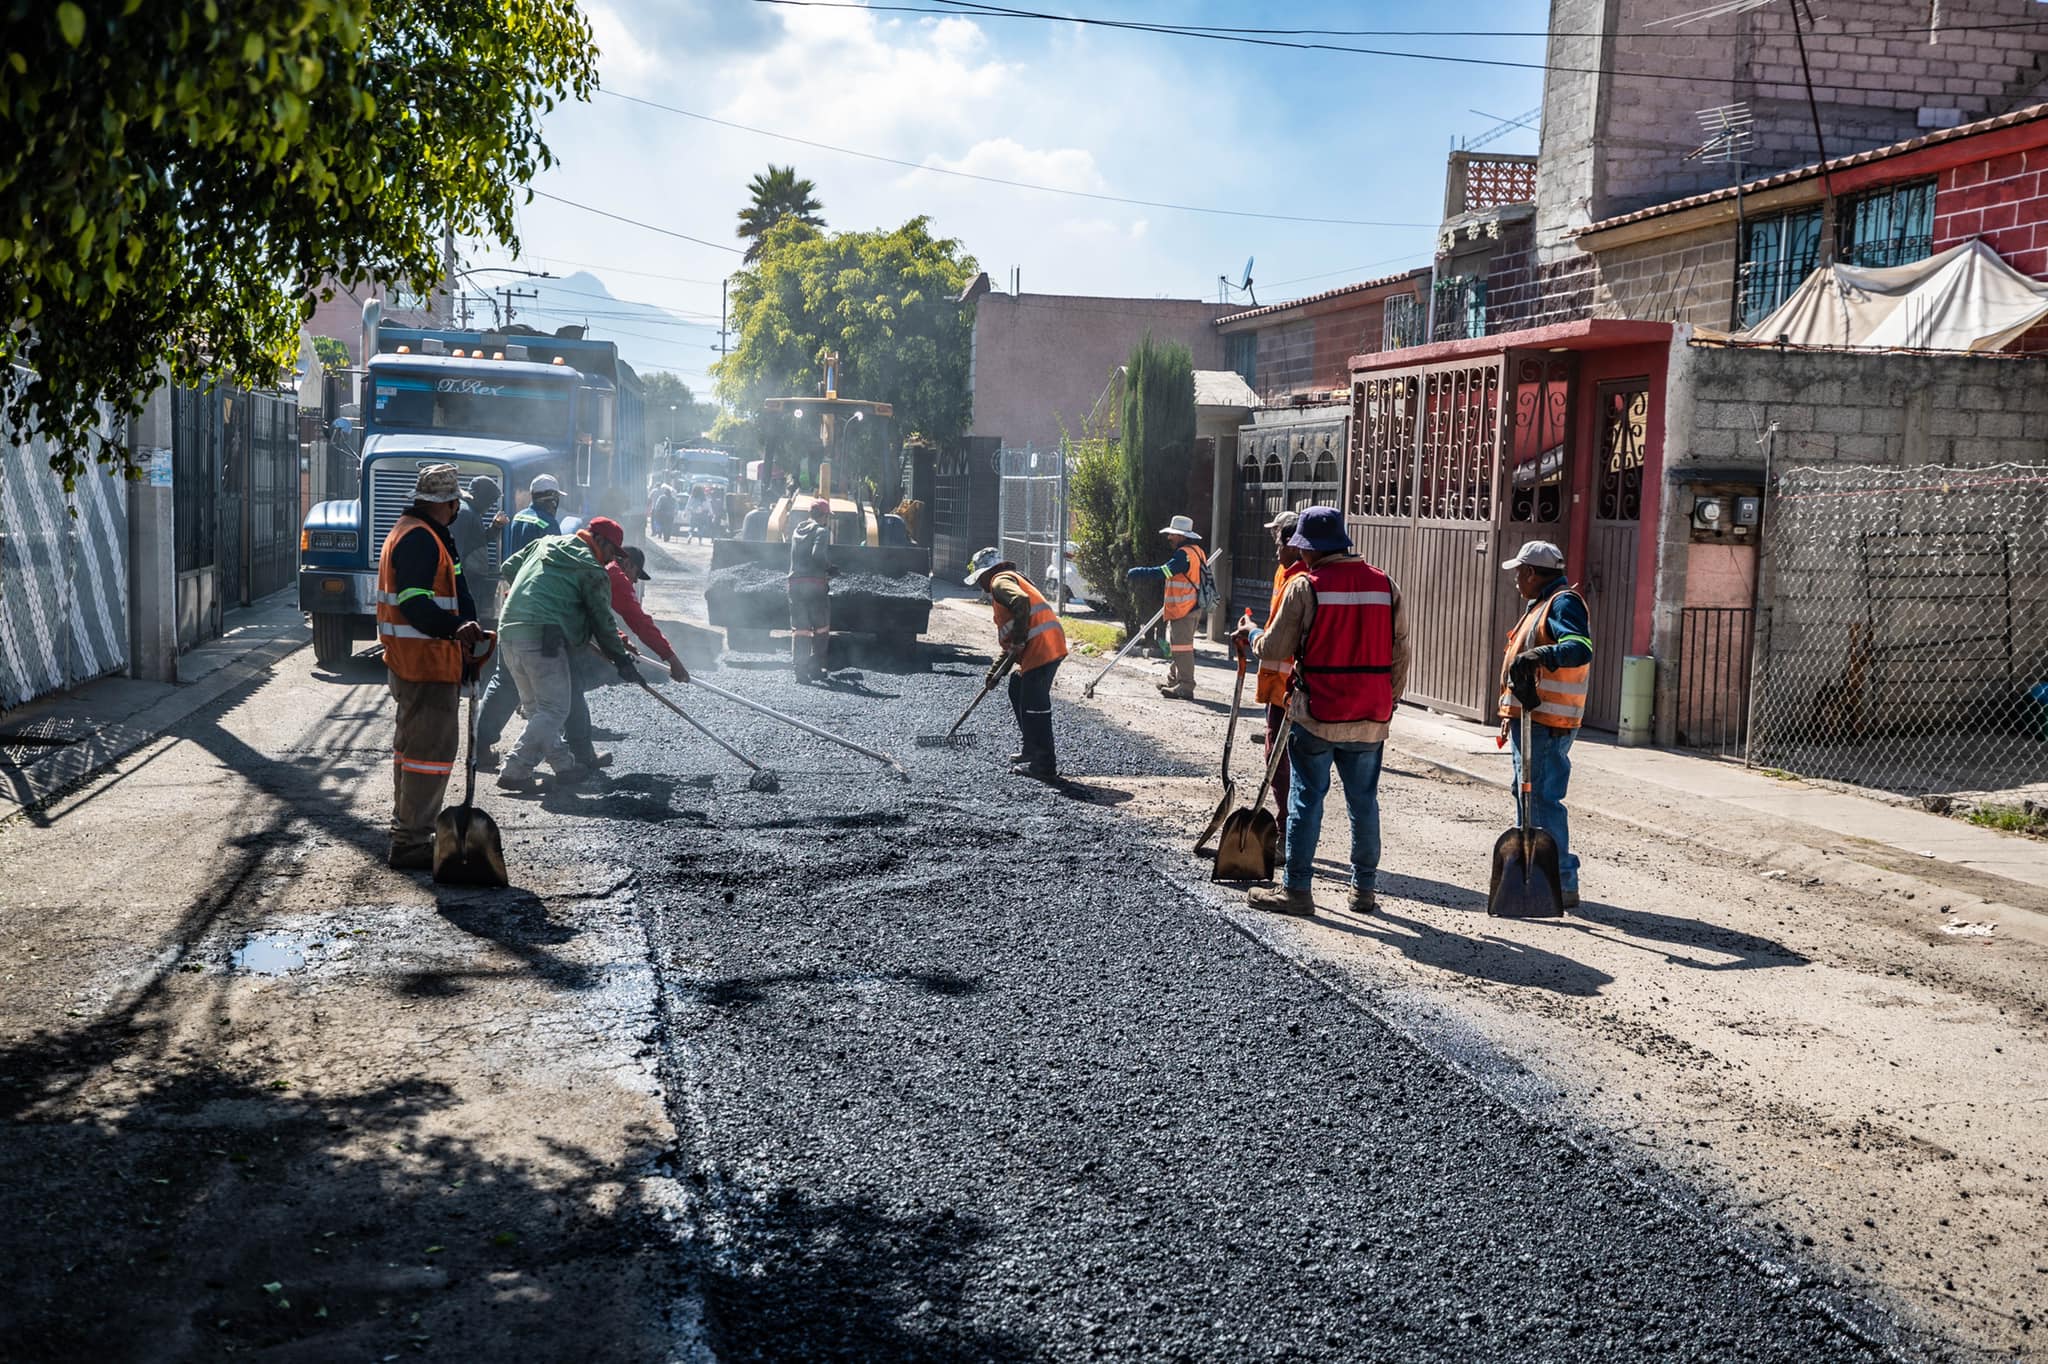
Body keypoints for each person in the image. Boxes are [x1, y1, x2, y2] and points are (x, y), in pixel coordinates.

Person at [1234, 506, 1409, 916]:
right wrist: (1390, 701)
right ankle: (1363, 890)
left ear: (1310, 549)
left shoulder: (1306, 587)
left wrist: (1253, 633)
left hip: (1318, 714)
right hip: (1371, 716)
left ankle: (1297, 891)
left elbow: (1275, 648)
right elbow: (1401, 652)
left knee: (1307, 799)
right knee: (1363, 802)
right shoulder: (1386, 585)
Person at [375, 464, 485, 870]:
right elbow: (415, 602)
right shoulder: (420, 539)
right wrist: (457, 628)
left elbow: (452, 592)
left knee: (412, 751)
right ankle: (411, 840)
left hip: (418, 663)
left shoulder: (423, 533)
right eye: (457, 504)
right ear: (450, 503)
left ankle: (407, 829)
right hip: (425, 664)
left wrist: (467, 633)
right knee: (430, 755)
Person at [493, 515, 639, 792]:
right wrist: (621, 661)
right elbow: (602, 621)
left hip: (510, 628)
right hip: (542, 636)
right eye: (611, 552)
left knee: (538, 709)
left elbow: (509, 566)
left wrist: (535, 593)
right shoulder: (591, 570)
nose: (610, 560)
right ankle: (515, 769)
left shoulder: (547, 542)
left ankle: (564, 765)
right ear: (599, 540)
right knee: (556, 709)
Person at [1499, 540, 1594, 909]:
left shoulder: (1562, 603)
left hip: (1547, 720)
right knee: (1528, 795)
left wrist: (1541, 654)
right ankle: (1539, 871)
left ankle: (1559, 878)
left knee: (1542, 799)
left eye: (1520, 573)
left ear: (1533, 573)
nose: (1517, 581)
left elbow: (1579, 646)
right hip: (1533, 719)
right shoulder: (1540, 605)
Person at [563, 543, 691, 769]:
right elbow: (640, 622)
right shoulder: (616, 575)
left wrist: (621, 640)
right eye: (636, 575)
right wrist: (672, 659)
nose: (634, 581)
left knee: (565, 689)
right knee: (573, 688)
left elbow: (599, 614)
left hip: (557, 627)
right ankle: (573, 754)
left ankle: (569, 750)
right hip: (561, 632)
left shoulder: (604, 570)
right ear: (628, 563)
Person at [474, 473, 566, 759]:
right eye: (556, 499)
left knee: (505, 677)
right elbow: (554, 567)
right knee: (543, 685)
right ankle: (552, 749)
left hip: (511, 598)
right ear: (551, 498)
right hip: (536, 607)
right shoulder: (549, 524)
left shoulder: (519, 518)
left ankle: (481, 739)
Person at [964, 547, 1069, 780]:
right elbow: (1011, 645)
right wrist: (994, 674)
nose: (980, 585)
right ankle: (1031, 749)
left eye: (979, 578)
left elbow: (1021, 603)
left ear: (985, 573)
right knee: (1017, 685)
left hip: (1043, 648)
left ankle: (1044, 765)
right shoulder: (1010, 580)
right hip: (1044, 645)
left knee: (1035, 706)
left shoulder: (999, 582)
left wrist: (1021, 640)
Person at [1253, 509, 1309, 850]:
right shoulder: (1284, 573)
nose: (1275, 548)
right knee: (1277, 755)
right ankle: (1284, 822)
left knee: (1283, 760)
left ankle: (1286, 827)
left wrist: (1256, 636)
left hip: (1290, 688)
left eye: (1279, 541)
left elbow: (1280, 639)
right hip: (1278, 683)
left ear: (1294, 544)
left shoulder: (1301, 581)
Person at [1125, 514, 1208, 700]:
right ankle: (1174, 681)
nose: (1169, 538)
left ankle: (1185, 686)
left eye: (1172, 534)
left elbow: (1164, 571)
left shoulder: (1183, 555)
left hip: (1184, 609)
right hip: (1192, 607)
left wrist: (1139, 573)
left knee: (1182, 648)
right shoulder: (1197, 552)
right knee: (1179, 646)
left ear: (1181, 536)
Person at [449, 475, 508, 629]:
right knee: (466, 620)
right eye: (490, 501)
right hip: (468, 580)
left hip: (472, 579)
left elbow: (478, 540)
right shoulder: (464, 513)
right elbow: (456, 550)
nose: (490, 506)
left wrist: (495, 527)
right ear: (482, 498)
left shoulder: (471, 512)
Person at [788, 498, 834, 682]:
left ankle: (800, 672)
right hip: (814, 585)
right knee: (820, 628)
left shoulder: (796, 531)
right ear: (824, 516)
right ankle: (815, 669)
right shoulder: (822, 532)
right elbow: (817, 555)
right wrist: (830, 568)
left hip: (794, 584)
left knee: (800, 629)